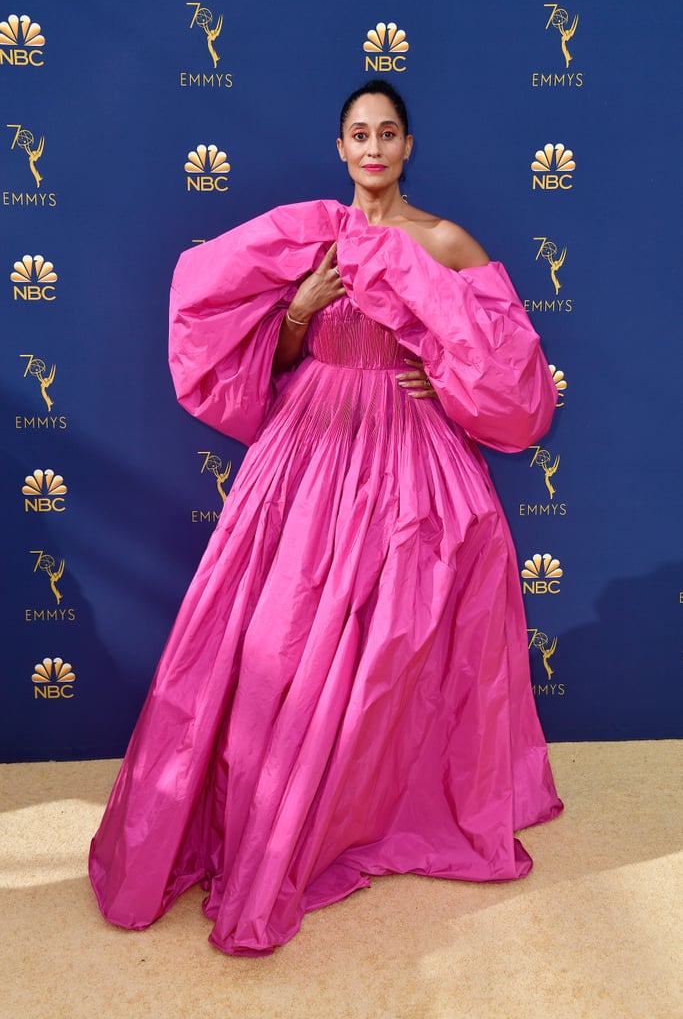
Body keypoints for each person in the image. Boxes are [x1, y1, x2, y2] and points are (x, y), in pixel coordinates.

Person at [89, 80, 563, 957]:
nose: (373, 148)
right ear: (339, 149)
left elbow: (506, 365)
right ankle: (265, 810)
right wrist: (303, 305)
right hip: (306, 444)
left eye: (388, 133)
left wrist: (447, 381)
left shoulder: (445, 241)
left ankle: (365, 811)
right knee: (277, 633)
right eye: (358, 134)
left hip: (409, 455)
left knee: (397, 643)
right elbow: (263, 359)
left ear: (408, 146)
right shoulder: (305, 236)